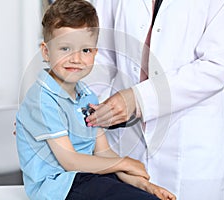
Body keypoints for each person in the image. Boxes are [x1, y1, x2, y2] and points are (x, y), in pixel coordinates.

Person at [83, 0, 224, 200]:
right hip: (122, 134)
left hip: (188, 142)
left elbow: (217, 65)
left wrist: (138, 98)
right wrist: (97, 108)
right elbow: (99, 53)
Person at [15, 0, 176, 199]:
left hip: (88, 176)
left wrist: (143, 185)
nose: (76, 59)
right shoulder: (41, 99)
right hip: (59, 186)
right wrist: (125, 162)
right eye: (65, 49)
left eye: (85, 50)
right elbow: (71, 162)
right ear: (46, 51)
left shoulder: (87, 96)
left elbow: (103, 154)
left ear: (95, 53)